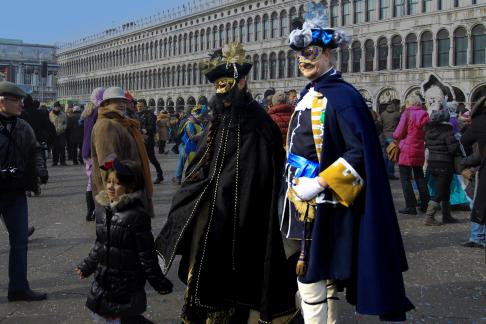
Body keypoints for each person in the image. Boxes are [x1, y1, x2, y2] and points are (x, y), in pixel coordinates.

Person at [282, 2, 413, 322]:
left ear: (328, 54)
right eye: (299, 55)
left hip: (323, 202)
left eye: (310, 52)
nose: (303, 60)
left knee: (311, 277)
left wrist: (320, 182)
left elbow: (358, 154)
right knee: (319, 277)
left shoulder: (342, 97)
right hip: (298, 197)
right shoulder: (309, 93)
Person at [155, 43, 297, 323]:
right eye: (219, 88)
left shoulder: (258, 122)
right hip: (215, 212)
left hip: (247, 215)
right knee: (206, 270)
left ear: (242, 83)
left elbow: (264, 171)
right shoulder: (218, 118)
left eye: (228, 86)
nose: (225, 96)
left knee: (241, 278)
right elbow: (205, 160)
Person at [76, 157, 173, 323]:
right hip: (103, 281)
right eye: (109, 182)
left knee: (124, 317)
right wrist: (87, 266)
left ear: (130, 186)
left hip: (126, 284)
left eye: (117, 183)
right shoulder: (102, 211)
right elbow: (100, 245)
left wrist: (159, 282)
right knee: (109, 317)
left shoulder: (136, 216)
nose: (110, 187)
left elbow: (147, 255)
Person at [0, 81, 48, 301]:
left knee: (20, 241)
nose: (21, 103)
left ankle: (19, 288)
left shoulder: (23, 126)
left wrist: (40, 169)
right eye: (16, 100)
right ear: (2, 102)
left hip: (15, 192)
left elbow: (36, 149)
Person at [91, 87, 155, 218]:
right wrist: (116, 197)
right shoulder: (106, 125)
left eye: (123, 101)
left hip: (130, 188)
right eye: (115, 101)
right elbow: (107, 164)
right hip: (122, 194)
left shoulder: (123, 123)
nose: (121, 104)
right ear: (105, 104)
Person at [393, 95, 430, 215]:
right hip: (419, 149)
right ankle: (425, 204)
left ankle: (410, 206)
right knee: (420, 177)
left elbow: (398, 133)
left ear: (409, 103)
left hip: (406, 150)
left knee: (405, 179)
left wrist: (394, 136)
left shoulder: (407, 113)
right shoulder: (425, 114)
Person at [423, 105, 459, 225]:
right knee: (440, 191)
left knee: (445, 189)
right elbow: (453, 149)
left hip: (432, 162)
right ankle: (429, 216)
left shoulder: (429, 131)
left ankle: (446, 215)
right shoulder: (447, 131)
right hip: (445, 163)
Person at [460, 96, 486, 248]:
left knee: (479, 201)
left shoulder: (479, 122)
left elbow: (464, 142)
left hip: (482, 166)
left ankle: (477, 236)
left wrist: (465, 162)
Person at [82, 87, 104, 222]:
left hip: (86, 150)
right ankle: (95, 210)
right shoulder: (98, 111)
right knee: (97, 180)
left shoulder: (87, 111)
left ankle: (90, 211)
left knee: (90, 180)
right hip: (95, 150)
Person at [136, 99, 164, 184]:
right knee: (140, 159)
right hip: (139, 140)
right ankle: (142, 177)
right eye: (138, 106)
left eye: (141, 106)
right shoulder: (136, 114)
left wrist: (143, 130)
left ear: (144, 106)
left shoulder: (150, 114)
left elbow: (152, 128)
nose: (139, 108)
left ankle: (160, 175)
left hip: (148, 140)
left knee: (152, 159)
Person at [381, 100, 401, 179]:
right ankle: (390, 174)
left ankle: (384, 173)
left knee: (385, 156)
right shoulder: (397, 114)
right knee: (391, 156)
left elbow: (380, 123)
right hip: (393, 137)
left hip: (384, 136)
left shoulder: (383, 114)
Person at [49, 101, 68, 166]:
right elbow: (49, 123)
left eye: (58, 107)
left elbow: (65, 123)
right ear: (54, 107)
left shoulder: (63, 114)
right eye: (56, 107)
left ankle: (63, 161)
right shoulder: (50, 114)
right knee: (54, 148)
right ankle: (55, 161)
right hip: (53, 133)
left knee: (62, 147)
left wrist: (62, 128)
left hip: (61, 133)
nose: (57, 108)